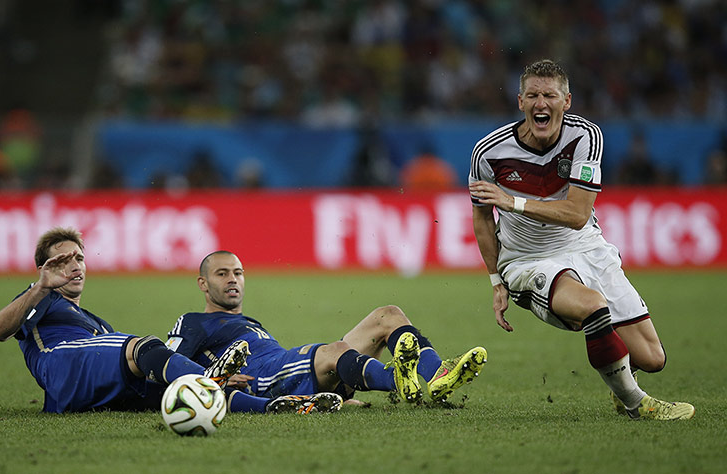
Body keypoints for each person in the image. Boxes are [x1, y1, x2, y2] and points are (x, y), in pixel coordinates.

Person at [468, 59, 694, 421]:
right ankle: (636, 402)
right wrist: (496, 279)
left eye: (550, 95)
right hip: (527, 260)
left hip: (585, 245)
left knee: (653, 358)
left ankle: (621, 378)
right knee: (591, 306)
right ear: (520, 102)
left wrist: (513, 202)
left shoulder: (586, 137)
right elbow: (481, 215)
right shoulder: (489, 153)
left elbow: (576, 215)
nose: (541, 103)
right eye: (533, 95)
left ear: (567, 100)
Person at [0, 227, 337, 415]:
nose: (73, 265)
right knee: (144, 348)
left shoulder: (95, 324)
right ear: (45, 268)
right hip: (62, 365)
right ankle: (210, 380)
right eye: (62, 260)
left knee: (175, 391)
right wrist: (39, 286)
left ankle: (269, 408)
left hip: (87, 387)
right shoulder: (42, 298)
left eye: (78, 257)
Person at [166, 250, 487, 408]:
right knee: (336, 351)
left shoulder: (249, 323)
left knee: (388, 315)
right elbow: (167, 366)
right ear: (203, 284)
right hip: (263, 377)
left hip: (286, 368)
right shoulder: (193, 321)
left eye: (237, 272)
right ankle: (396, 380)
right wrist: (212, 376)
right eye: (222, 274)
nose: (233, 279)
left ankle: (436, 375)